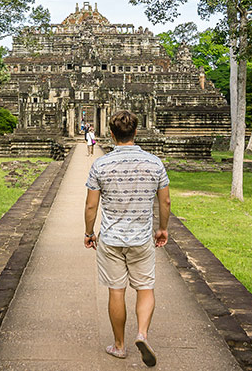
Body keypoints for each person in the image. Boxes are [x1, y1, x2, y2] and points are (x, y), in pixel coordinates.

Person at [84, 110, 169, 367]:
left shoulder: (101, 164)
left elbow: (91, 206)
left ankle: (119, 346)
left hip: (111, 238)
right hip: (142, 237)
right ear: (136, 132)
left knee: (116, 290)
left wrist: (89, 233)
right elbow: (164, 201)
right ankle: (142, 333)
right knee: (145, 288)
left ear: (111, 134)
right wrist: (162, 228)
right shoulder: (154, 163)